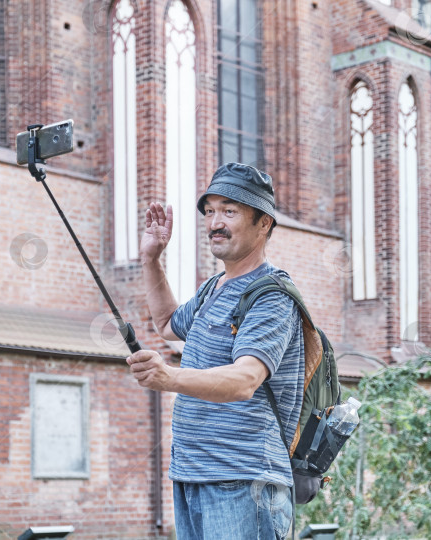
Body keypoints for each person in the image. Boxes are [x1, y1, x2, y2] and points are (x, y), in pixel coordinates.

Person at [126, 162, 305, 540]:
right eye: (209, 211)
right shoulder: (214, 289)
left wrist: (168, 377)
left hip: (243, 481)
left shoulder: (271, 296)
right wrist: (151, 259)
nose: (214, 223)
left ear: (264, 223)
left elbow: (244, 380)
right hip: (192, 474)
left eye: (229, 211)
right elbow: (167, 322)